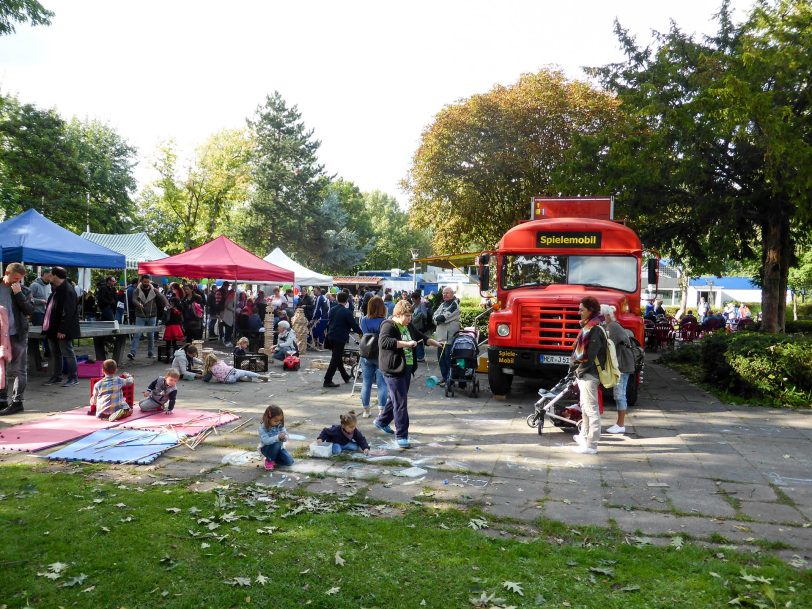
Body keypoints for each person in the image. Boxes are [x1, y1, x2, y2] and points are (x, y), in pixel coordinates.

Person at [374, 300, 443, 448]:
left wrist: (434, 343)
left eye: (411, 316)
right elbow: (384, 342)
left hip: (406, 368)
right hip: (393, 369)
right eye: (407, 316)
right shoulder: (388, 325)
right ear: (398, 314)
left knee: (396, 398)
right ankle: (402, 436)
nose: (409, 319)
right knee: (400, 403)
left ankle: (381, 421)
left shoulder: (408, 325)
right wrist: (406, 344)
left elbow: (421, 337)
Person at [569, 296, 607, 455]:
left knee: (592, 410)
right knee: (585, 408)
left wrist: (578, 371)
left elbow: (590, 356)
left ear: (590, 311)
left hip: (589, 375)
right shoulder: (590, 327)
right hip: (585, 374)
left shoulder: (594, 329)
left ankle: (592, 445)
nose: (579, 312)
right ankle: (584, 437)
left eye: (581, 309)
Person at [0, 263, 32, 417]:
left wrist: (19, 294)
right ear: (7, 273)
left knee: (19, 368)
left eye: (20, 279)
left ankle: (17, 402)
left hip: (17, 333)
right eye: (15, 278)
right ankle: (2, 399)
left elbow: (29, 310)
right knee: (2, 367)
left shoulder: (24, 289)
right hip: (1, 335)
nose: (17, 282)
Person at [43, 266, 81, 388]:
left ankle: (73, 377)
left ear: (54, 275)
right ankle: (56, 376)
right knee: (55, 353)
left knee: (67, 352)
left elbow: (68, 312)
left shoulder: (67, 290)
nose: (48, 277)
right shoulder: (57, 289)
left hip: (62, 328)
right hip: (52, 327)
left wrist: (62, 329)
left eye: (50, 274)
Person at [601, 305, 635, 435]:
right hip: (625, 363)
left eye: (601, 316)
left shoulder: (612, 327)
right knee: (620, 393)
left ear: (607, 316)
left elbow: (606, 347)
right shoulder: (612, 325)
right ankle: (620, 424)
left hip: (623, 365)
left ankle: (621, 425)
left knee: (619, 394)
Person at [323, 291, 362, 388]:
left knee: (337, 357)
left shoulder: (332, 309)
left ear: (337, 299)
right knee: (335, 358)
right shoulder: (347, 312)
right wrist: (361, 332)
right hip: (339, 338)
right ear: (346, 301)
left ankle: (345, 376)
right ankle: (327, 380)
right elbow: (354, 325)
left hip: (330, 336)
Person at [359, 296, 388, 418]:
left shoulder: (363, 320)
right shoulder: (385, 321)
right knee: (382, 384)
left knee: (366, 383)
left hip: (366, 353)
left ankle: (366, 410)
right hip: (380, 354)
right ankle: (381, 411)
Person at [128, 274, 169, 360]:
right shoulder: (137, 290)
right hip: (140, 315)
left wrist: (166, 304)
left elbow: (162, 297)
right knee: (137, 334)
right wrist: (138, 304)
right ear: (141, 281)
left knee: (151, 335)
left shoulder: (154, 290)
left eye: (148, 282)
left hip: (152, 315)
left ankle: (150, 353)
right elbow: (134, 299)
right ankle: (132, 352)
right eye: (145, 282)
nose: (146, 283)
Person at [432, 286, 461, 386]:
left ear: (452, 293)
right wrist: (437, 319)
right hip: (440, 338)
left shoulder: (454, 305)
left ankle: (450, 380)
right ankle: (445, 378)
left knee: (448, 360)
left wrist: (438, 319)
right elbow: (434, 316)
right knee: (441, 360)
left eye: (447, 293)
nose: (445, 295)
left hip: (449, 338)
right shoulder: (443, 304)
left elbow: (443, 318)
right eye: (444, 293)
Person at [258, 404, 294, 470]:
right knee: (277, 443)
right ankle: (269, 460)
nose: (278, 422)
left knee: (289, 462)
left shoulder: (280, 425)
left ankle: (273, 459)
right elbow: (266, 441)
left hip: (279, 448)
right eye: (275, 421)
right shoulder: (263, 428)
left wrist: (284, 437)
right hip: (266, 448)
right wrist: (278, 438)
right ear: (268, 419)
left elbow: (286, 436)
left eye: (280, 420)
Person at [29, 268, 52, 360]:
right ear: (44, 274)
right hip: (37, 313)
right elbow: (28, 299)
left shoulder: (49, 285)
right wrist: (40, 301)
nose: (51, 276)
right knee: (38, 335)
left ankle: (47, 354)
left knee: (47, 335)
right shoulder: (34, 285)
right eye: (49, 274)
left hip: (47, 313)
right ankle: (36, 357)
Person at [202, 353, 269, 383]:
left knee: (228, 378)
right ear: (215, 358)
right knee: (245, 372)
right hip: (233, 372)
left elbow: (207, 379)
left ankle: (242, 379)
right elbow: (225, 368)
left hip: (228, 380)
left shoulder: (210, 369)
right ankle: (259, 376)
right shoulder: (220, 362)